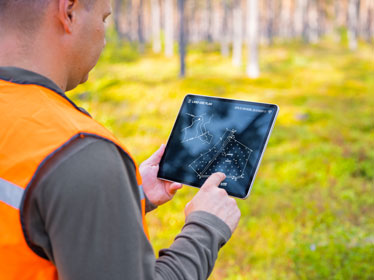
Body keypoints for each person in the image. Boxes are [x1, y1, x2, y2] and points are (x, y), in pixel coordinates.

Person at [0, 0, 241, 279]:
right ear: (69, 12)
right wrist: (206, 227)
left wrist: (126, 196)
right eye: (104, 19)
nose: (104, 37)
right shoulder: (78, 153)